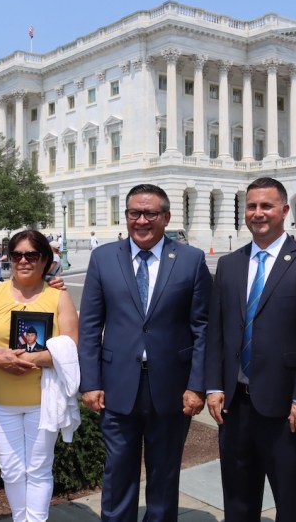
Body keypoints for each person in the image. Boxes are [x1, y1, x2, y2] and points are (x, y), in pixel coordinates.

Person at [206, 177, 296, 522]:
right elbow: (217, 332)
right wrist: (215, 386)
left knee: (288, 501)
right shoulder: (230, 265)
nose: (258, 213)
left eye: (266, 206)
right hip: (234, 405)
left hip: (286, 409)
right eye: (251, 206)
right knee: (237, 500)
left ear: (284, 210)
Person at [79, 183, 212, 521]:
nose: (141, 220)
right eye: (134, 213)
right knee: (117, 473)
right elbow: (91, 327)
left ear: (165, 217)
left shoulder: (191, 260)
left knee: (165, 475)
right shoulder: (103, 258)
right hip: (117, 385)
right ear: (126, 216)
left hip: (172, 388)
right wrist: (90, 382)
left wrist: (197, 385)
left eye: (150, 213)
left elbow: (202, 329)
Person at [0, 230, 80, 522]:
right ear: (9, 257)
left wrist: (30, 358)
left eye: (32, 255)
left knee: (38, 469)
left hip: (42, 400)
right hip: (2, 401)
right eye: (17, 254)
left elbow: (72, 348)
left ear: (45, 260)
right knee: (10, 469)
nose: (23, 260)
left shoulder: (58, 296)